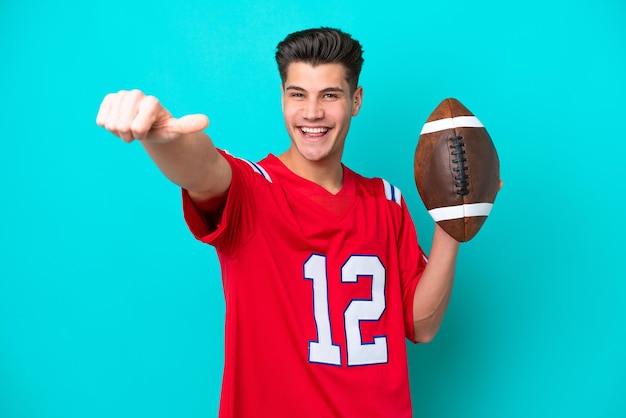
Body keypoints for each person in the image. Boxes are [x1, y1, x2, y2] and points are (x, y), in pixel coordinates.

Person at [97, 27, 461, 418]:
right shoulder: (253, 190)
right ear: (282, 98)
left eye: (330, 95)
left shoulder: (386, 201)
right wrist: (164, 139)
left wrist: (452, 221)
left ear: (356, 100)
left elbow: (420, 325)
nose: (312, 113)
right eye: (297, 94)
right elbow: (203, 169)